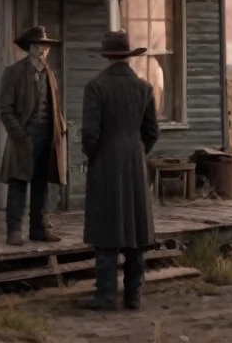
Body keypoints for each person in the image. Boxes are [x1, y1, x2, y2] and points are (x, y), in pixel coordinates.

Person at [78, 30, 160, 311]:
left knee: (106, 229)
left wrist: (96, 155)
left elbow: (90, 134)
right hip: (135, 163)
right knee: (136, 232)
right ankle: (134, 297)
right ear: (128, 57)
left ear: (107, 57)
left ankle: (105, 296)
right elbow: (152, 132)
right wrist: (135, 152)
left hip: (106, 163)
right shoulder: (144, 88)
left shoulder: (96, 87)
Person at [0, 26, 67, 246]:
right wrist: (19, 136)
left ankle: (39, 228)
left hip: (46, 137)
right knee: (18, 184)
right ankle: (14, 230)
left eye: (44, 47)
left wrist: (60, 129)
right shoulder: (14, 72)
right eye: (36, 46)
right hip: (23, 138)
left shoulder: (50, 74)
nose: (41, 51)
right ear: (29, 49)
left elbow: (55, 106)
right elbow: (5, 109)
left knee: (41, 184)